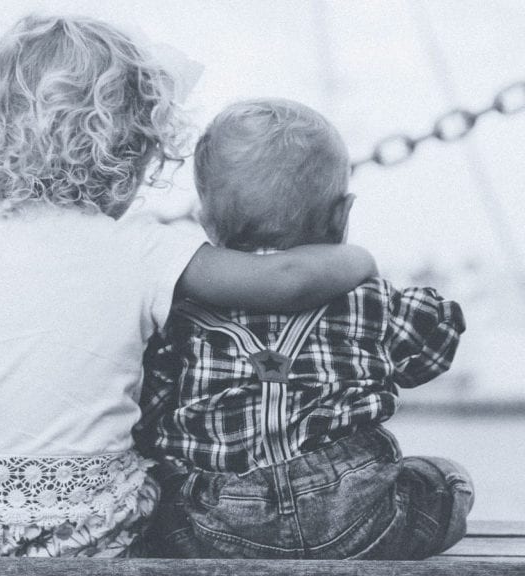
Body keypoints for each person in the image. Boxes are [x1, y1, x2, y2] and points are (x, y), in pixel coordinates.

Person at [0, 17, 377, 557]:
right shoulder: (141, 249)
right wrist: (358, 258)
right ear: (136, 155)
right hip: (74, 531)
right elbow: (285, 279)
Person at [134, 98, 472, 559]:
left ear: (206, 222)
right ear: (342, 215)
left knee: (160, 510)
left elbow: (149, 413)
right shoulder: (368, 302)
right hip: (361, 519)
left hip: (221, 528)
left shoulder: (179, 318)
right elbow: (433, 352)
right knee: (447, 481)